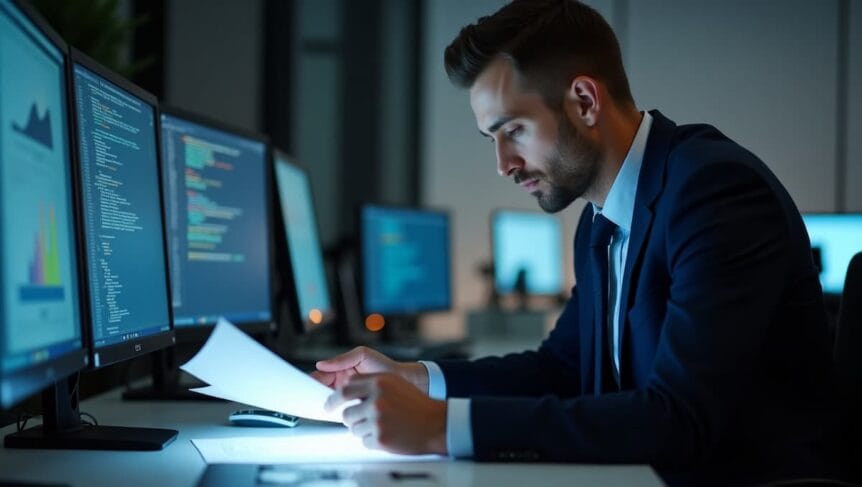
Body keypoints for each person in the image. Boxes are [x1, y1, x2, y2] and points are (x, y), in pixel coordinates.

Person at [312, 0, 842, 483]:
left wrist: (440, 427)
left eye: (513, 130)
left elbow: (680, 420)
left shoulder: (713, 192)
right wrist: (418, 379)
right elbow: (562, 370)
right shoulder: (600, 221)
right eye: (491, 139)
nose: (503, 164)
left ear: (585, 102)